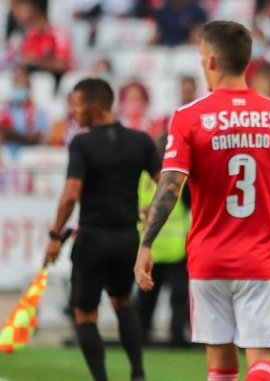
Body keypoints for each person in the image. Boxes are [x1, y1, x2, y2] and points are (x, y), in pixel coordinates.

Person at [134, 21, 270, 381]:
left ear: (212, 60)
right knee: (262, 361)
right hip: (260, 256)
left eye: (201, 57)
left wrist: (146, 242)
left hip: (207, 259)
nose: (201, 63)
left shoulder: (188, 117)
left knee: (221, 366)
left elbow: (170, 186)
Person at [43, 78, 160, 381]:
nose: (73, 110)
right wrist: (149, 211)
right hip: (127, 239)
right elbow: (166, 183)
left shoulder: (81, 143)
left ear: (94, 109)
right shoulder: (140, 141)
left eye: (77, 105)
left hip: (93, 237)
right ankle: (138, 374)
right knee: (122, 301)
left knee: (85, 312)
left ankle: (101, 380)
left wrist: (55, 235)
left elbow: (71, 194)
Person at [134, 134, 191, 346]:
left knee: (152, 299)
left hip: (161, 250)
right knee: (167, 299)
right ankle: (173, 339)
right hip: (163, 250)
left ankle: (148, 337)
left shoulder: (143, 179)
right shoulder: (181, 179)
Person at [0, 66, 47, 157]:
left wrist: (9, 134)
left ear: (28, 89)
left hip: (29, 156)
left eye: (22, 86)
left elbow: (35, 138)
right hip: (6, 156)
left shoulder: (38, 112)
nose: (18, 89)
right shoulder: (4, 110)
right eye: (16, 86)